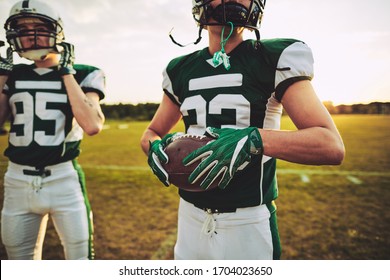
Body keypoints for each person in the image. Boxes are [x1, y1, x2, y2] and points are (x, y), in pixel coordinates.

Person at [140, 0, 345, 260]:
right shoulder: (180, 69)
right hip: (189, 217)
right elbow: (152, 132)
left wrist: (254, 139)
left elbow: (330, 145)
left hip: (247, 222)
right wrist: (154, 147)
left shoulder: (273, 57)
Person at [0, 0, 105, 260]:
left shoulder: (84, 73)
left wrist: (66, 73)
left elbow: (92, 125)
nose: (32, 36)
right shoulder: (11, 74)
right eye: (23, 30)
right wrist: (2, 77)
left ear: (57, 32)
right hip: (17, 180)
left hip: (63, 179)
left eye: (38, 27)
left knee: (79, 262)